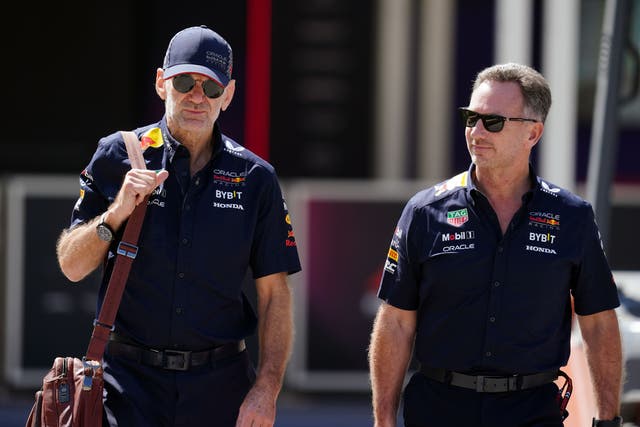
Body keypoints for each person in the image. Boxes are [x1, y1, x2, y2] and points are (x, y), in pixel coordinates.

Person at [56, 25, 301, 427]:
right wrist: (117, 211)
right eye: (185, 81)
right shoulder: (120, 153)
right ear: (161, 83)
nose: (197, 96)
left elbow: (275, 294)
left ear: (229, 95)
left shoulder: (256, 178)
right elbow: (71, 265)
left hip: (221, 386)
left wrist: (266, 388)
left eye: (211, 87)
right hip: (126, 385)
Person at [368, 63, 623, 427]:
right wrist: (383, 419)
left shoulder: (572, 216)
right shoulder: (425, 211)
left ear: (532, 133)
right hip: (439, 408)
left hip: (532, 410)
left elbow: (598, 323)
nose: (476, 132)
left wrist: (608, 418)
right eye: (471, 118)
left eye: (493, 122)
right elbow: (395, 322)